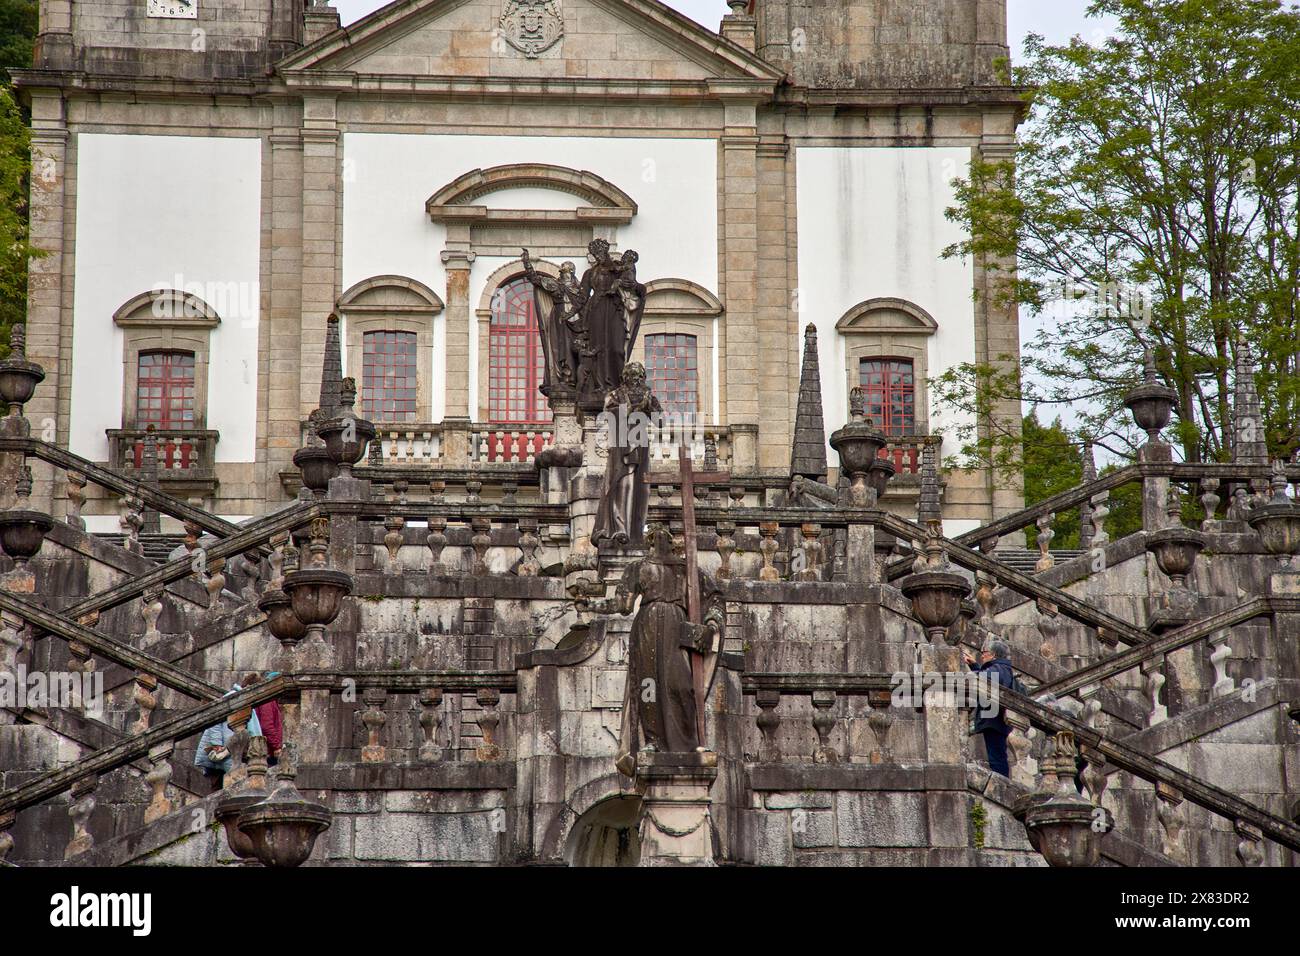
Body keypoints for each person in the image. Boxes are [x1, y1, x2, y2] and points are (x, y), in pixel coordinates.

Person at [963, 639, 1017, 777]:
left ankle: (1002, 785)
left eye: (985, 652)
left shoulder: (1000, 668)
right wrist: (975, 666)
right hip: (994, 721)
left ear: (994, 655)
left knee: (997, 757)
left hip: (995, 721)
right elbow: (987, 681)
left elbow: (987, 679)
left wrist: (972, 674)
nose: (982, 655)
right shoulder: (1000, 667)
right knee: (996, 755)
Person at [194, 683, 262, 789]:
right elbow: (215, 723)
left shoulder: (242, 700)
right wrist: (216, 744)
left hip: (229, 748)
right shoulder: (233, 699)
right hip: (222, 749)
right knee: (223, 782)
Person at [244, 672, 283, 767]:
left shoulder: (267, 699)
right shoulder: (268, 700)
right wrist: (276, 746)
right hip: (267, 750)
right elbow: (266, 726)